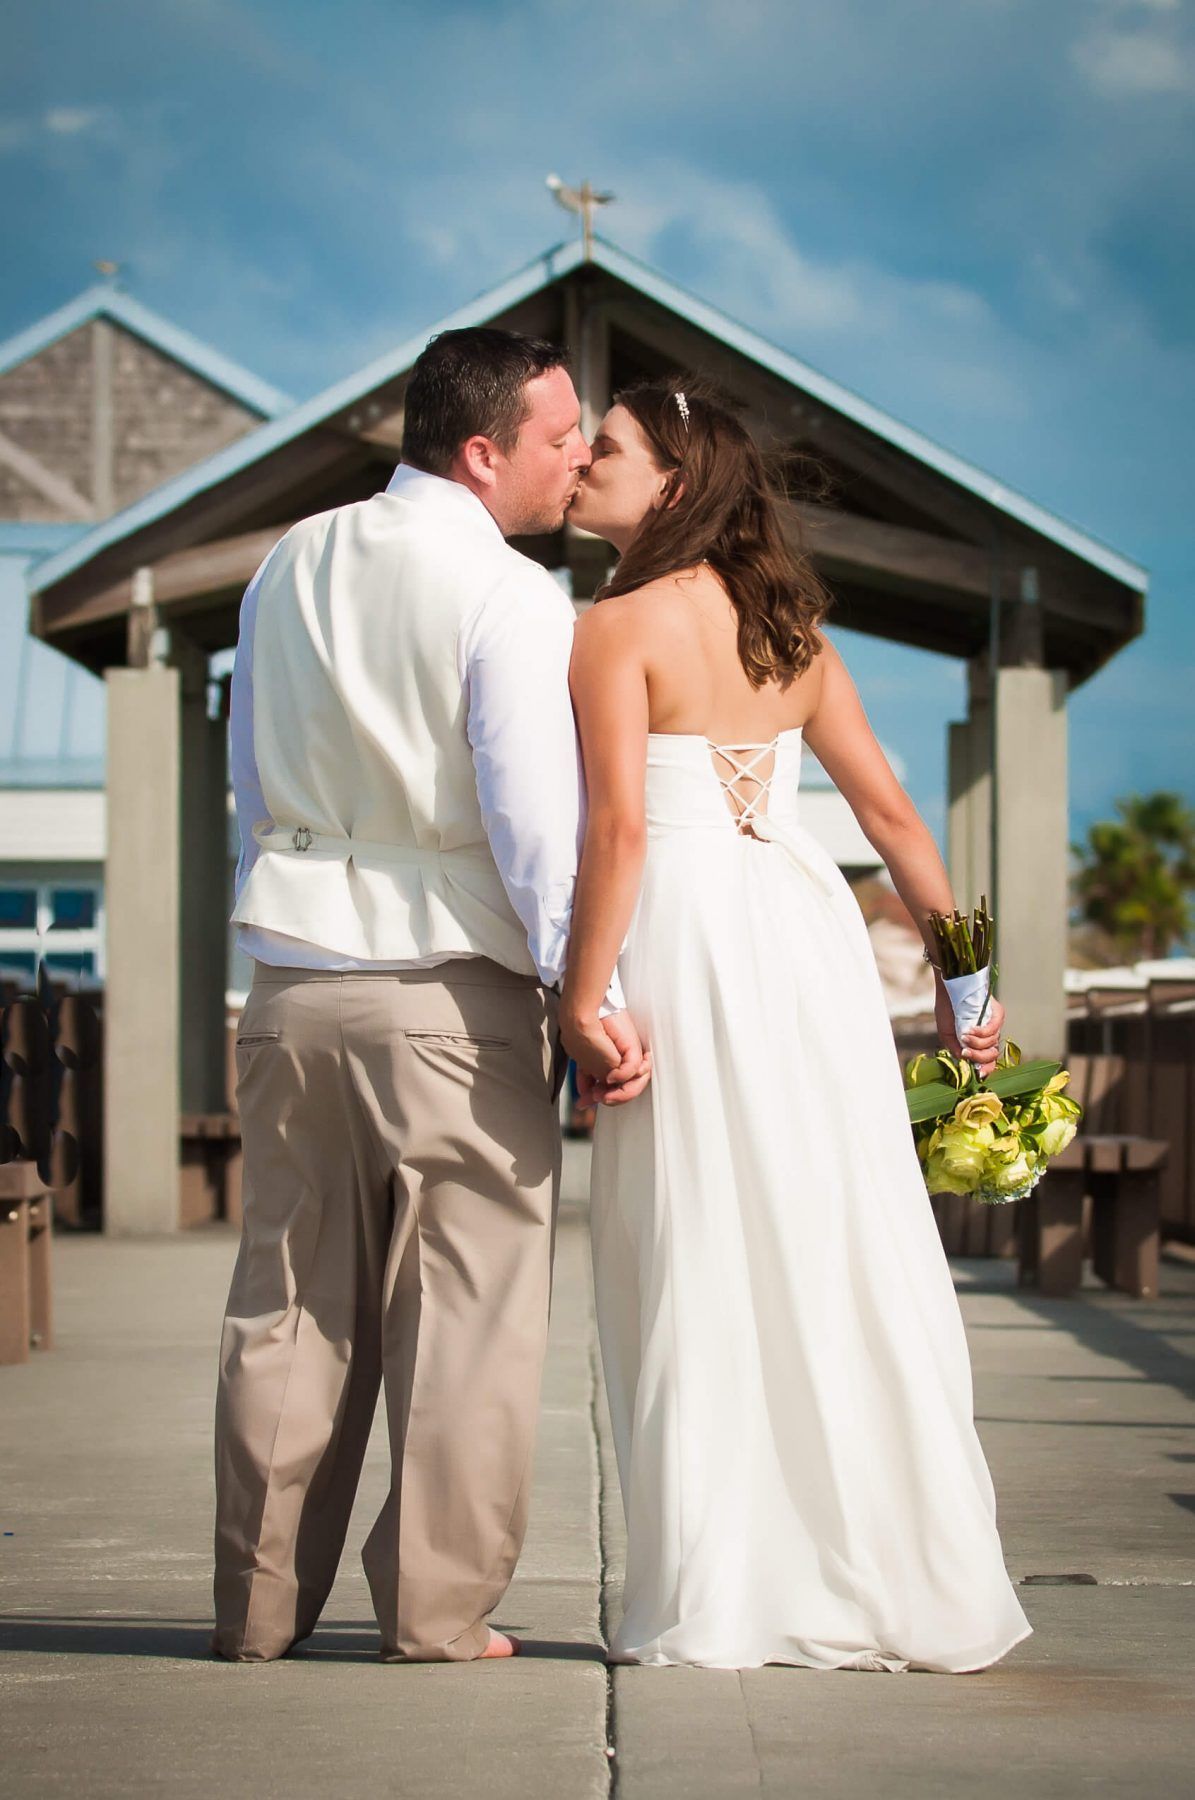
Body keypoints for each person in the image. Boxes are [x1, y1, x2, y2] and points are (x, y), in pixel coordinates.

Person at [562, 378, 1032, 1671]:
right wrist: (972, 992)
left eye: (608, 449)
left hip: (691, 940)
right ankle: (887, 1561)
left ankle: (730, 1581)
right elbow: (894, 820)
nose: (585, 465)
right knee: (833, 1234)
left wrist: (580, 996)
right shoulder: (796, 632)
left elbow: (619, 830)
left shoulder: (614, 628)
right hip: (807, 934)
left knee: (699, 1240)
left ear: (672, 483)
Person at [212, 327, 648, 1665]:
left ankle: (256, 1611)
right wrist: (594, 992)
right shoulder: (509, 592)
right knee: (466, 1313)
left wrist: (268, 936)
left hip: (290, 980)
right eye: (562, 434)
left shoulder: (288, 560)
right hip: (448, 995)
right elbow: (534, 819)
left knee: (286, 1306)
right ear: (484, 451)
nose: (579, 454)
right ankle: (436, 1611)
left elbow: (246, 783)